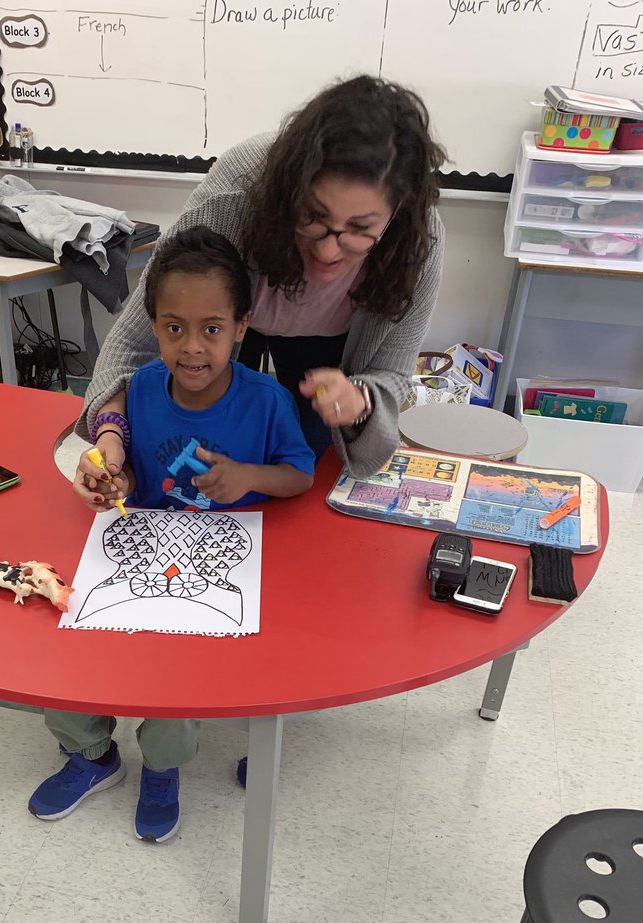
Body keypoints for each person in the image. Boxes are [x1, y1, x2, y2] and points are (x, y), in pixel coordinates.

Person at [30, 227, 314, 842]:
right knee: (61, 657)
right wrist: (112, 477)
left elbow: (299, 475)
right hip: (142, 546)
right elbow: (126, 456)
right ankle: (92, 755)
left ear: (242, 326)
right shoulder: (142, 389)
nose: (191, 348)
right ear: (153, 325)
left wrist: (245, 477)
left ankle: (162, 769)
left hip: (225, 564)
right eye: (173, 327)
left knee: (174, 691)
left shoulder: (266, 401)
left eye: (212, 328)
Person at [73, 74, 446, 511]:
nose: (328, 250)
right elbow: (132, 346)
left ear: (397, 211)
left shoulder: (416, 249)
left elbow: (392, 377)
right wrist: (112, 434)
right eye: (314, 217)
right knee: (203, 438)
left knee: (302, 461)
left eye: (360, 230)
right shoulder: (235, 201)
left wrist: (358, 398)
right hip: (224, 321)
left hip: (327, 356)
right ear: (290, 190)